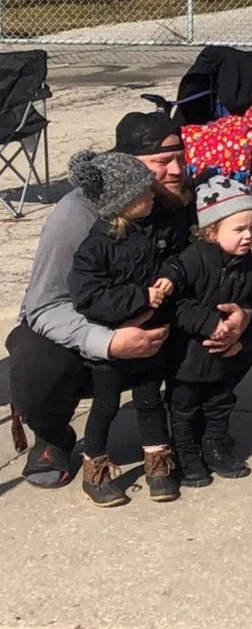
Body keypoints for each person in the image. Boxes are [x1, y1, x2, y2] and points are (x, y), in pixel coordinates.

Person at [10, 111, 195, 489]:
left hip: (156, 323)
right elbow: (43, 307)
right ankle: (53, 434)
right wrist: (108, 343)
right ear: (126, 166)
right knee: (35, 356)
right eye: (162, 162)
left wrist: (234, 310)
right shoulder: (76, 212)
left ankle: (192, 421)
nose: (177, 170)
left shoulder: (182, 196)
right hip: (92, 334)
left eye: (181, 157)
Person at [66, 151, 178, 505]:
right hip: (112, 342)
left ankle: (157, 462)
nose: (151, 197)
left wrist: (168, 277)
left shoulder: (156, 227)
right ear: (122, 203)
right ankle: (94, 466)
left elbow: (176, 255)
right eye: (142, 194)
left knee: (149, 400)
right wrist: (138, 297)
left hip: (150, 337)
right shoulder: (95, 247)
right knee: (106, 405)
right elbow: (88, 297)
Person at [159, 176, 252, 489]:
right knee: (183, 407)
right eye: (239, 229)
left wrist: (246, 332)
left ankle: (214, 447)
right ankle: (186, 454)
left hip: (225, 357)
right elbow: (176, 301)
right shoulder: (194, 259)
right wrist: (206, 322)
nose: (248, 236)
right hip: (186, 357)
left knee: (219, 403)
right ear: (212, 230)